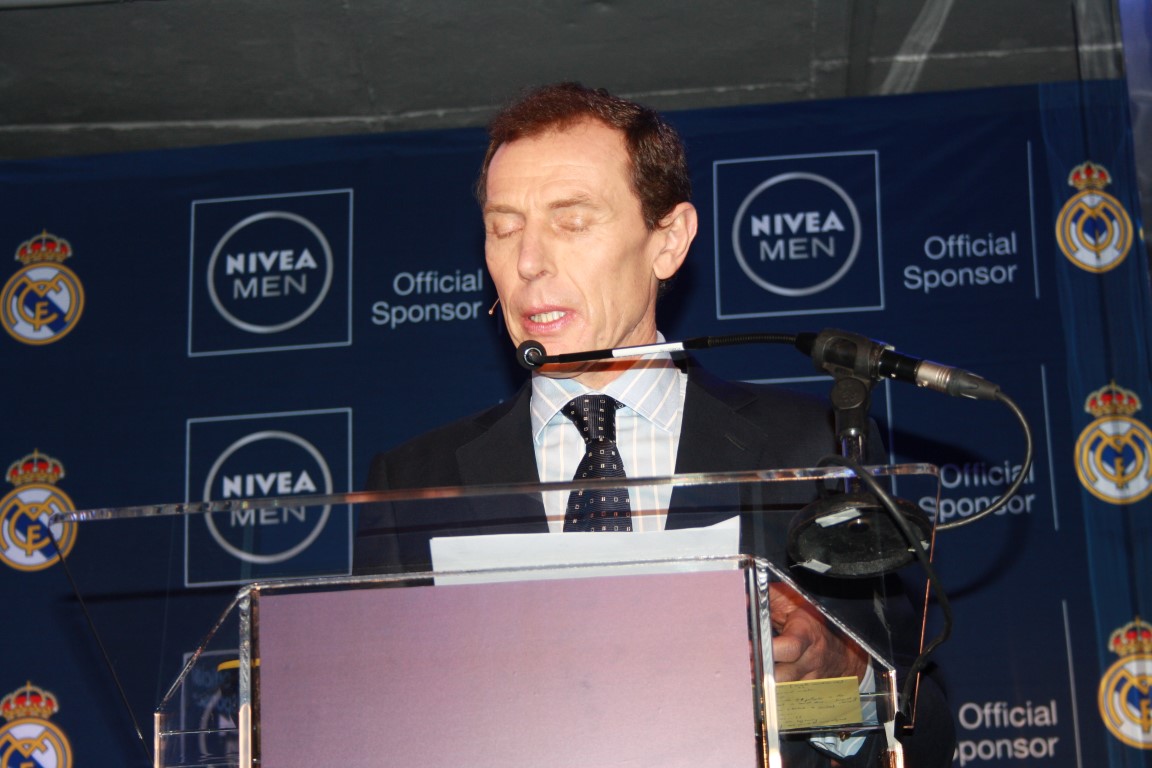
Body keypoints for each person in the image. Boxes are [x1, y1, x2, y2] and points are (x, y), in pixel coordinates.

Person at [355, 82, 955, 767]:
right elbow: (367, 727)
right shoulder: (413, 483)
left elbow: (927, 733)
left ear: (667, 241)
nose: (528, 262)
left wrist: (839, 677)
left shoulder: (812, 449)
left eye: (571, 221)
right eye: (504, 227)